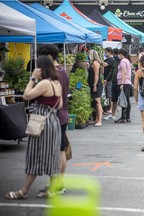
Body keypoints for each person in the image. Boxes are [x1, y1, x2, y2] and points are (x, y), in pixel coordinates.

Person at [5, 56, 63, 200]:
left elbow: (26, 95)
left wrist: (32, 78)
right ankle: (53, 189)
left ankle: (23, 191)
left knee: (35, 155)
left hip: (41, 122)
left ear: (42, 68)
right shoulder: (57, 83)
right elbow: (60, 105)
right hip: (53, 122)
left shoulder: (44, 83)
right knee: (51, 155)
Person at [36, 45, 69, 197]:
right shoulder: (63, 71)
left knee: (58, 151)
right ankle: (57, 184)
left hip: (55, 115)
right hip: (62, 114)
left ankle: (58, 185)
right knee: (60, 150)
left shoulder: (54, 72)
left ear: (49, 56)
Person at [114, 48, 132, 123]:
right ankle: (127, 117)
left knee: (124, 100)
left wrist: (122, 82)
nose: (118, 55)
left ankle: (123, 117)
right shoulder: (127, 60)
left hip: (124, 82)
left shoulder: (123, 61)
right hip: (127, 82)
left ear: (121, 54)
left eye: (118, 54)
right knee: (127, 100)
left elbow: (123, 72)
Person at [88, 49, 104, 127]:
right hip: (94, 84)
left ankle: (100, 120)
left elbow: (96, 75)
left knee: (98, 102)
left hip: (97, 84)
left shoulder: (95, 63)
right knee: (95, 102)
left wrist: (94, 85)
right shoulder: (95, 63)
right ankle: (97, 119)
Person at [103, 48, 121, 121]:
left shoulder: (114, 60)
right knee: (114, 98)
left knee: (111, 95)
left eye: (106, 52)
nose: (105, 53)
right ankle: (112, 113)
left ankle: (113, 111)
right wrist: (106, 79)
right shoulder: (115, 61)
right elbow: (112, 72)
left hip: (117, 82)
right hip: (112, 80)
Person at [102, 47, 115, 115]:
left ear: (110, 52)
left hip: (109, 79)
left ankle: (111, 108)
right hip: (107, 79)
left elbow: (104, 64)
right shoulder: (108, 59)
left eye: (106, 52)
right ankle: (109, 108)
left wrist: (98, 59)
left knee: (109, 94)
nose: (105, 53)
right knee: (108, 93)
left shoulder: (111, 59)